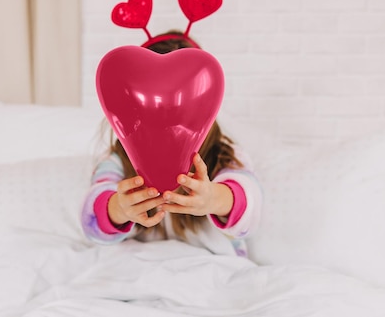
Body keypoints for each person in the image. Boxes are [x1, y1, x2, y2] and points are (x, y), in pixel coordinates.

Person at [81, 32, 262, 258]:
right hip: (141, 266)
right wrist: (118, 208)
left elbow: (251, 205)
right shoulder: (117, 160)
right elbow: (92, 218)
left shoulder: (224, 155)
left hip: (210, 266)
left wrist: (213, 198)